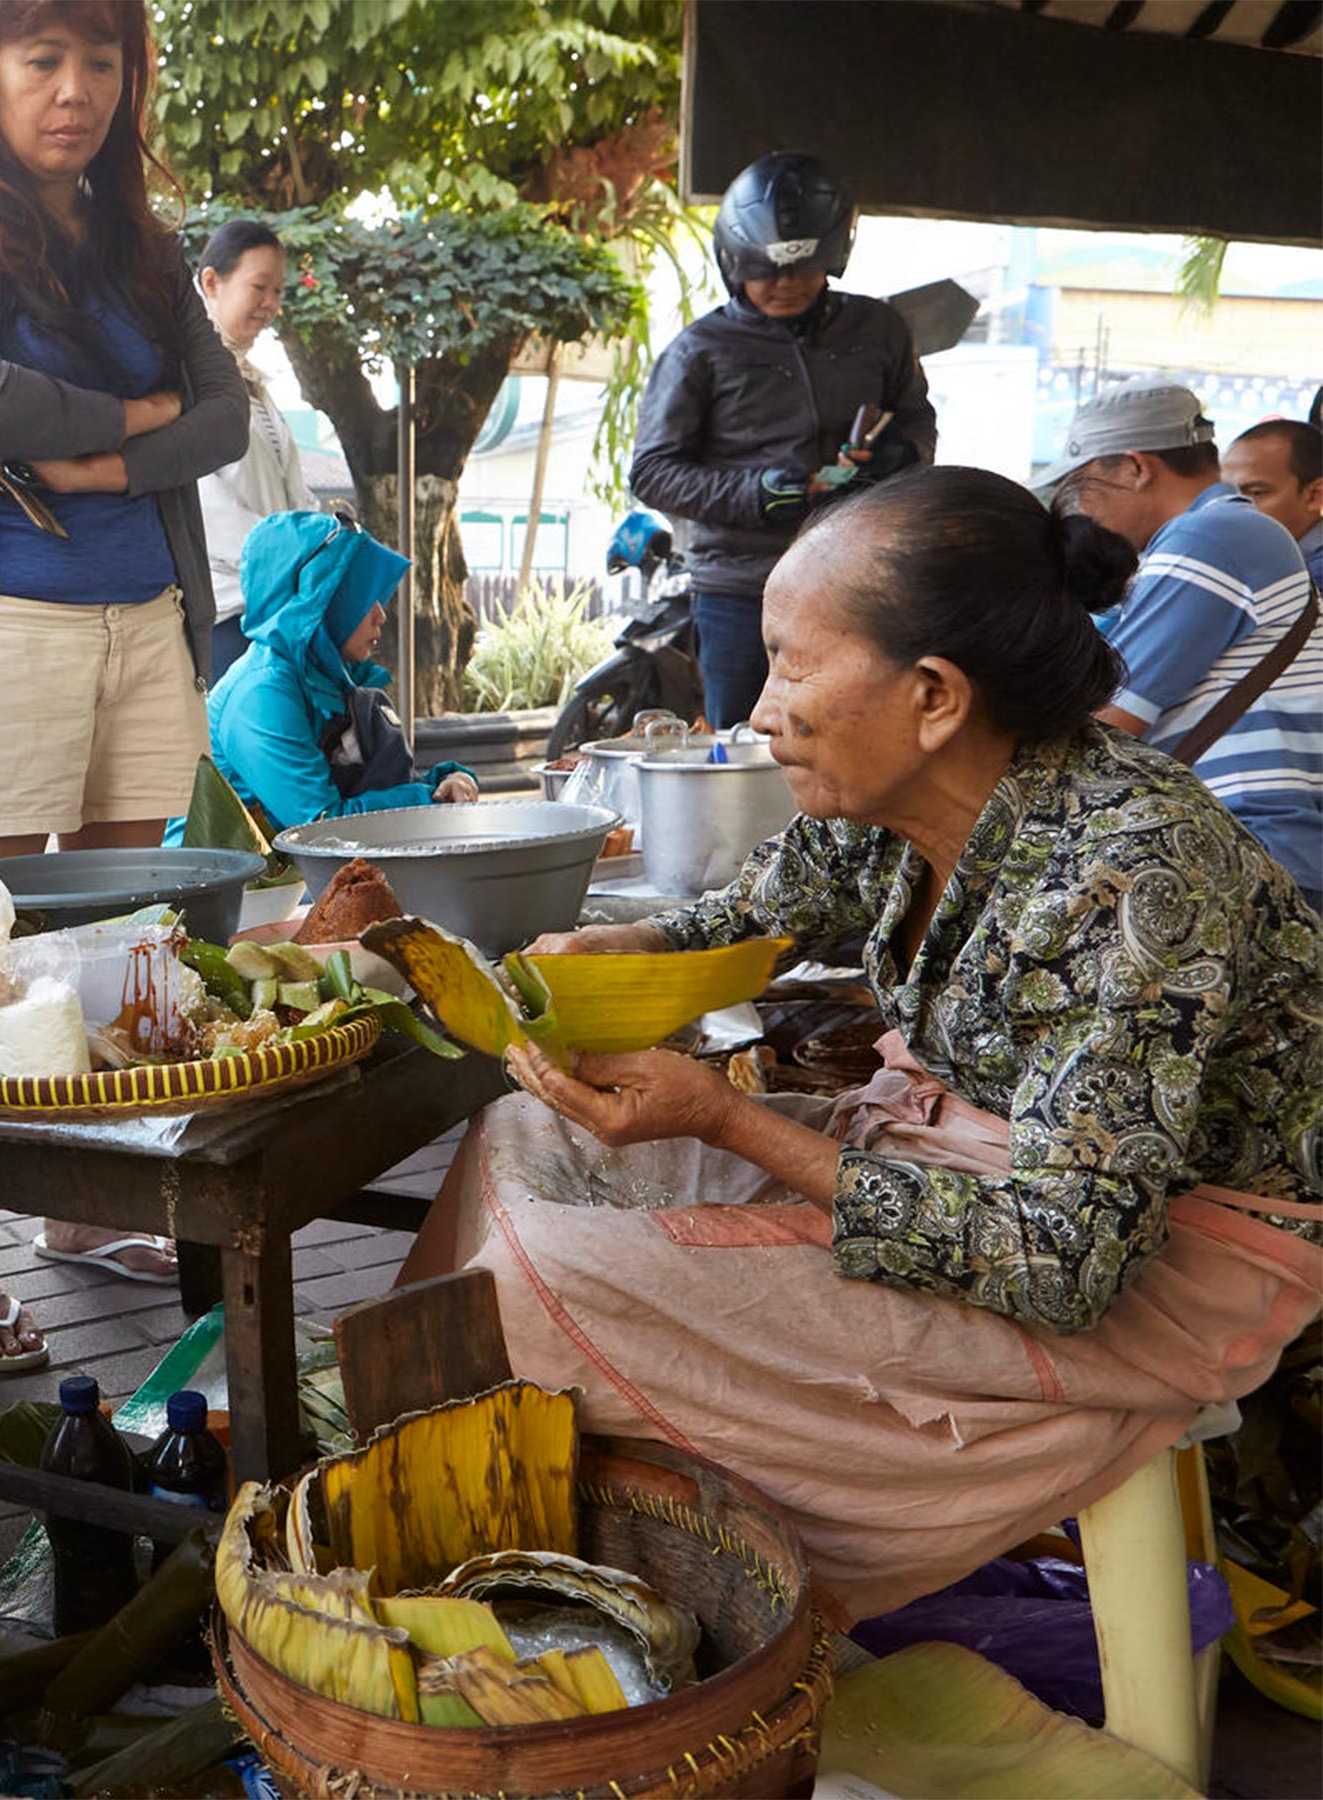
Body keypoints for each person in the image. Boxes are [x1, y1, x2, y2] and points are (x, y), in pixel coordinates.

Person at [399, 466, 1322, 1621]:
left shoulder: (1137, 870)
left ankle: (570, 1584)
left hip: (1159, 1263)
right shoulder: (898, 809)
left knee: (535, 1287)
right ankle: (436, 1503)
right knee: (528, 1132)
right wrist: (631, 941)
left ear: (933, 694)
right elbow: (741, 914)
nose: (758, 711)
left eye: (791, 664)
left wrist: (726, 1117)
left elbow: (1066, 1262)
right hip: (960, 1172)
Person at [0, 0, 245, 1366]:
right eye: (42, 57)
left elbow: (230, 414)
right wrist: (144, 421)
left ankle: (84, 1214)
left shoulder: (147, 249)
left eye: (102, 59)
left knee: (113, 940)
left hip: (146, 622)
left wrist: (106, 458)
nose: (74, 88)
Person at [628, 150, 936, 729]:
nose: (784, 284)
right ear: (734, 262)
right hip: (741, 590)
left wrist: (907, 456)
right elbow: (652, 471)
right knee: (749, 746)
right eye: (765, 270)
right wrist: (757, 494)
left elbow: (917, 420)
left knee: (859, 733)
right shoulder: (700, 350)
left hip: (858, 578)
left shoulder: (880, 330)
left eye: (801, 268)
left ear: (833, 258)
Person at [1042, 380, 1323, 908]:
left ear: (1135, 467)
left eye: (1084, 486)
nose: (1082, 509)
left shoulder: (1209, 537)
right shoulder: (1226, 533)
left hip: (1247, 848)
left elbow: (1109, 717)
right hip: (1259, 846)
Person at [207, 509, 478, 831]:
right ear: (320, 601)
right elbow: (318, 826)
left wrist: (446, 781)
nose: (381, 615)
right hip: (239, 878)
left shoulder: (331, 677)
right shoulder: (262, 694)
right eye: (364, 598)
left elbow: (381, 787)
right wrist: (428, 800)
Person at [191, 218, 312, 679]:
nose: (271, 305)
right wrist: (294, 559)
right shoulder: (188, 376)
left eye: (279, 292)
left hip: (274, 608)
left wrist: (320, 543)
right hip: (227, 612)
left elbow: (290, 492)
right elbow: (202, 503)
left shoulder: (251, 381)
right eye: (260, 286)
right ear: (211, 282)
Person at [1222, 417, 1323, 590]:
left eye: (1256, 493)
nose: (1230, 508)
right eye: (1225, 493)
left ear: (1315, 496)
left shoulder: (1310, 578)